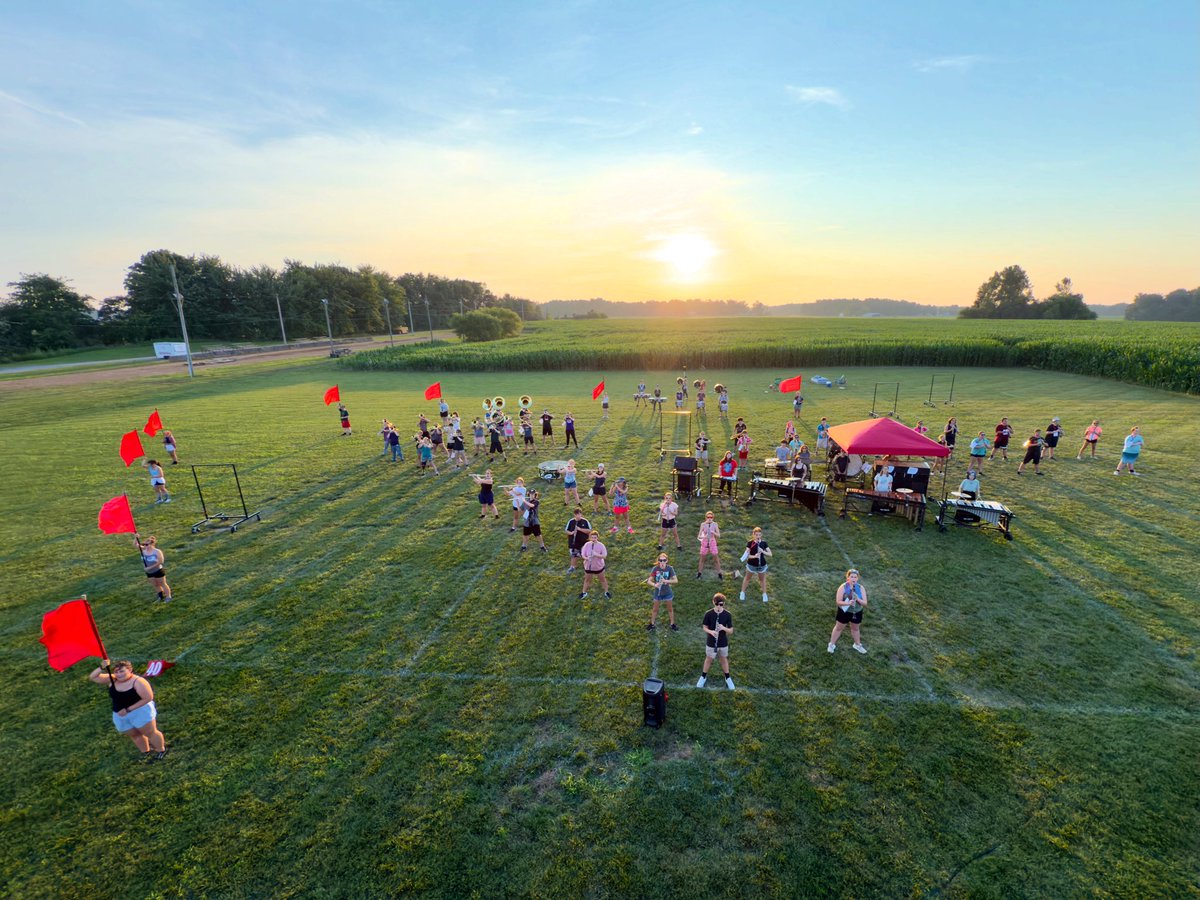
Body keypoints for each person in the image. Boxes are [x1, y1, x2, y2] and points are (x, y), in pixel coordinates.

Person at [89, 659, 167, 759]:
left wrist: (128, 710)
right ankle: (146, 752)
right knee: (135, 735)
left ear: (130, 670)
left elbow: (148, 698)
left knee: (150, 733)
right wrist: (101, 667)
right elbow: (93, 677)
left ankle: (161, 750)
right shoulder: (113, 680)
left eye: (122, 671)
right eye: (116, 672)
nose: (119, 674)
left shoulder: (138, 681)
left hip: (140, 711)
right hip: (119, 714)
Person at [697, 593, 735, 690]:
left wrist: (723, 628)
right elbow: (704, 627)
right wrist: (711, 632)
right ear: (713, 602)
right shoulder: (708, 614)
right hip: (711, 641)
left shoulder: (727, 615)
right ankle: (703, 676)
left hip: (723, 642)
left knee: (723, 659)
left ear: (724, 604)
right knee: (709, 659)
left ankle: (728, 678)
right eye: (717, 604)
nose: (719, 606)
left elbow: (731, 631)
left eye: (721, 604)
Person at [827, 569, 868, 654]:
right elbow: (838, 601)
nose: (853, 578)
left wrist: (858, 599)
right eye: (851, 576)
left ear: (857, 578)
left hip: (857, 612)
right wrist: (848, 603)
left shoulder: (860, 588)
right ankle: (831, 645)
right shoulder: (843, 587)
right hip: (844, 612)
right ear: (848, 578)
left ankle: (857, 645)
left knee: (855, 629)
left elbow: (865, 603)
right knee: (839, 628)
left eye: (855, 577)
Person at [646, 552, 679, 631]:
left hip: (667, 592)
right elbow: (648, 581)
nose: (662, 562)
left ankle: (672, 624)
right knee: (655, 609)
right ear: (658, 561)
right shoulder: (655, 569)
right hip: (658, 593)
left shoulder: (670, 568)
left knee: (670, 609)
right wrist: (655, 585)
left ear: (667, 561)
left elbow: (676, 581)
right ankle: (652, 624)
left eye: (664, 560)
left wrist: (666, 581)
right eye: (660, 560)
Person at [739, 526, 771, 603]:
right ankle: (742, 592)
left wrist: (763, 551)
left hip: (761, 565)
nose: (758, 536)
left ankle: (764, 594)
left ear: (761, 535)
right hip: (751, 565)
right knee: (747, 578)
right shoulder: (750, 543)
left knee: (762, 580)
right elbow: (747, 555)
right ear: (753, 534)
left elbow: (770, 554)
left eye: (759, 535)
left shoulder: (764, 543)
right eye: (756, 535)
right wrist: (754, 556)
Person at [136, 536, 171, 602]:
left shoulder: (157, 551)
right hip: (149, 572)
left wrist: (149, 568)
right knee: (155, 584)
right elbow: (136, 545)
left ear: (152, 544)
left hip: (158, 570)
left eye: (147, 544)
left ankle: (168, 597)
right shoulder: (144, 550)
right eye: (144, 544)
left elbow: (161, 561)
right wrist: (135, 537)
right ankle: (160, 597)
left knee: (163, 584)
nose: (145, 546)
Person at [580, 530, 611, 599]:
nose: (593, 539)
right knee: (587, 580)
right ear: (590, 538)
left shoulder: (601, 545)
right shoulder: (587, 545)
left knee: (602, 579)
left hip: (598, 567)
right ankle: (584, 592)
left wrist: (596, 554)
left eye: (595, 537)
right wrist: (587, 558)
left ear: (597, 538)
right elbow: (583, 555)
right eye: (592, 537)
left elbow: (604, 556)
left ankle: (606, 592)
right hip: (588, 567)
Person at [696, 511, 723, 579]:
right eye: (708, 517)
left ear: (713, 518)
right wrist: (704, 537)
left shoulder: (715, 524)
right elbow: (699, 536)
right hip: (705, 542)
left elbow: (719, 535)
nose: (709, 518)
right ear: (706, 518)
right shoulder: (703, 524)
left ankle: (720, 574)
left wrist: (713, 532)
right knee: (702, 559)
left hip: (712, 542)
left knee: (716, 559)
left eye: (711, 517)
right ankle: (699, 573)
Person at [564, 507, 592, 573]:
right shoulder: (571, 521)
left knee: (586, 554)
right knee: (574, 555)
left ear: (581, 514)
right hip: (573, 542)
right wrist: (572, 533)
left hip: (584, 542)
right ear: (574, 515)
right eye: (576, 514)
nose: (578, 516)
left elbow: (589, 531)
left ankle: (588, 566)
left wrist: (580, 529)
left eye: (579, 514)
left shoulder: (585, 521)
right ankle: (572, 567)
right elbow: (566, 530)